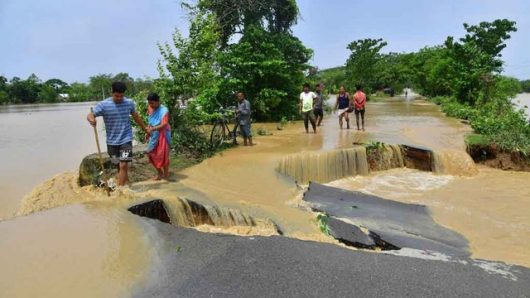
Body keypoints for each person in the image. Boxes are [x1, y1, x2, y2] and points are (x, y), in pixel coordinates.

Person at [87, 81, 148, 186]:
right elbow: (90, 114)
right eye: (117, 96)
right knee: (116, 164)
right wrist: (92, 119)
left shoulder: (129, 103)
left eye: (121, 96)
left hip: (126, 139)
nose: (119, 98)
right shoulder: (104, 105)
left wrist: (145, 129)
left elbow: (136, 117)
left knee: (124, 165)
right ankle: (126, 182)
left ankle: (120, 192)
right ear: (111, 92)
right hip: (111, 142)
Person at [146, 93, 171, 180]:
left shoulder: (164, 110)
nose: (150, 105)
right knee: (150, 153)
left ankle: (166, 174)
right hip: (153, 134)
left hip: (163, 134)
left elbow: (164, 124)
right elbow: (150, 120)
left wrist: (152, 129)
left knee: (163, 155)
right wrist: (148, 131)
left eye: (152, 103)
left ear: (158, 102)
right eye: (149, 103)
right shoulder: (150, 108)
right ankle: (160, 173)